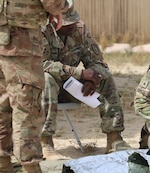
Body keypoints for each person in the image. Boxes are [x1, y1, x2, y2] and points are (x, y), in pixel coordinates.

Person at [41, 7, 130, 159]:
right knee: (46, 78)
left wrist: (93, 78)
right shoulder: (41, 31)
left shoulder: (80, 30)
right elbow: (41, 64)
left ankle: (114, 138)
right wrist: (80, 73)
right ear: (54, 21)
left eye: (73, 22)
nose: (71, 26)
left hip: (72, 89)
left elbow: (98, 62)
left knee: (106, 77)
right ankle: (45, 143)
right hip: (46, 90)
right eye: (67, 23)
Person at [0, 0, 69, 172]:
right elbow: (52, 2)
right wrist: (63, 7)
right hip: (20, 40)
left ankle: (3, 164)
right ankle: (30, 168)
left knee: (2, 104)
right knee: (28, 107)